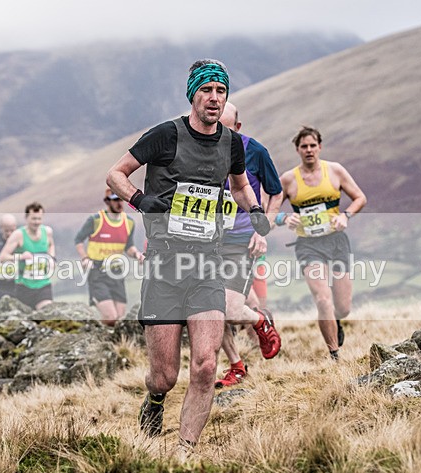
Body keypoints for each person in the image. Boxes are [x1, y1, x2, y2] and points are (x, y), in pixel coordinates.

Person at [107, 59, 272, 452]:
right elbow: (115, 174)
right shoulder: (166, 135)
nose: (215, 98)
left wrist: (256, 211)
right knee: (164, 375)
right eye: (207, 90)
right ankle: (156, 399)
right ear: (193, 94)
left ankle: (184, 452)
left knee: (206, 365)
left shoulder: (231, 143)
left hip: (207, 264)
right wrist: (140, 199)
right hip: (164, 265)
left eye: (221, 91)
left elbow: (238, 186)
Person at [275, 126, 367, 360]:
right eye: (304, 146)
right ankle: (334, 353)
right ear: (297, 150)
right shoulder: (288, 179)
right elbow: (268, 212)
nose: (309, 150)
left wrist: (345, 216)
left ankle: (336, 321)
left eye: (312, 145)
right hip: (308, 245)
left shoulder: (335, 171)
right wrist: (284, 217)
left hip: (336, 241)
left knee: (343, 306)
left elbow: (360, 198)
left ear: (320, 147)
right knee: (323, 299)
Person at [215, 102, 284, 388]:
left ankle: (260, 323)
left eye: (226, 129)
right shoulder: (200, 150)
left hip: (241, 240)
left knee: (230, 309)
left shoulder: (255, 151)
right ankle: (236, 365)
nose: (219, 135)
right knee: (206, 307)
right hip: (207, 241)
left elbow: (276, 193)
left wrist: (262, 230)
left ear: (238, 128)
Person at [74, 187, 143, 326]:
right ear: (107, 202)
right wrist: (85, 258)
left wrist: (137, 254)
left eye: (121, 200)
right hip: (97, 272)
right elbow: (78, 240)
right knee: (111, 317)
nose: (119, 203)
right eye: (115, 200)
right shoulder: (95, 220)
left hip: (117, 272)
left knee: (120, 317)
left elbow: (128, 246)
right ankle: (95, 336)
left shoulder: (129, 222)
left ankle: (112, 344)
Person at [0, 202, 55, 310]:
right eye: (33, 219)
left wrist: (52, 258)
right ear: (26, 218)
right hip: (24, 285)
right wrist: (21, 257)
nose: (37, 222)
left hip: (43, 283)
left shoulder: (47, 232)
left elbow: (51, 245)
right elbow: (3, 257)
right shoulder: (18, 235)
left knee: (45, 313)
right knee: (28, 320)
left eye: (39, 219)